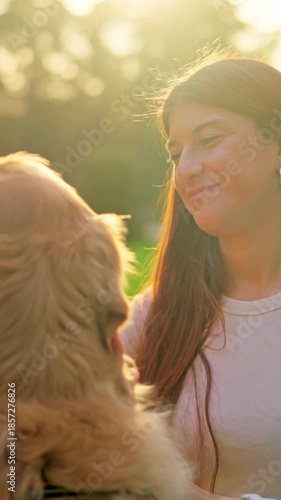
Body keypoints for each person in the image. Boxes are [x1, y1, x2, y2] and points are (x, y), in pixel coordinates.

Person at [120, 55, 281, 500]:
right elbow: (27, 409)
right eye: (175, 153)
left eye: (209, 139)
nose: (186, 169)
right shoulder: (156, 313)